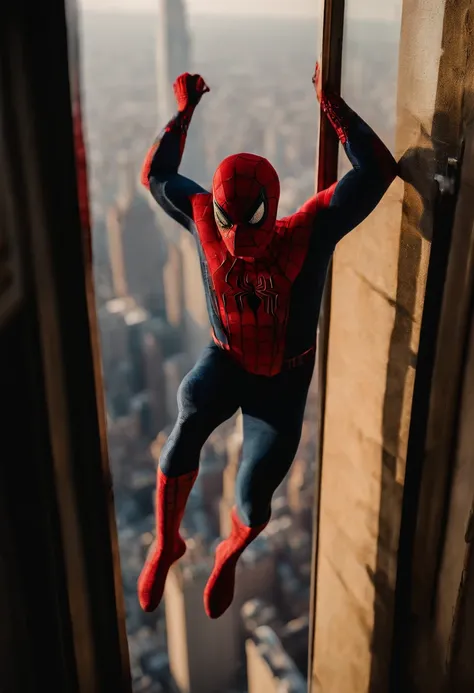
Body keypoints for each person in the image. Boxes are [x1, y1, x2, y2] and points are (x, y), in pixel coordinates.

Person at [138, 62, 398, 619]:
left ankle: (230, 551)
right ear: (220, 209)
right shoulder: (206, 216)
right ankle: (167, 541)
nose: (237, 236)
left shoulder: (307, 232)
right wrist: (183, 115)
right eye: (229, 219)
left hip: (283, 380)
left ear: (272, 207)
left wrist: (333, 105)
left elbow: (378, 169)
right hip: (227, 356)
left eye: (250, 218)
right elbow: (157, 176)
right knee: (189, 409)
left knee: (256, 491)